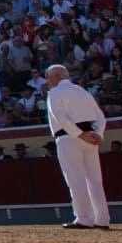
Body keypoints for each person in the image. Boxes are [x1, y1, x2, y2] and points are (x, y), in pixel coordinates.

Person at [44, 64, 112, 229]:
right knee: (95, 180)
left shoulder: (55, 93)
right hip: (91, 138)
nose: (47, 82)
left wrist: (79, 133)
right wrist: (98, 134)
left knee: (75, 179)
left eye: (48, 78)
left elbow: (60, 116)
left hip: (69, 137)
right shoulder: (83, 91)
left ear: (56, 77)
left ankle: (84, 218)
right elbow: (99, 116)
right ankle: (102, 219)